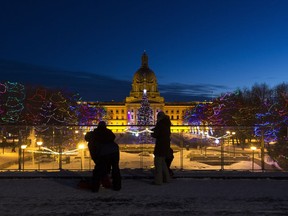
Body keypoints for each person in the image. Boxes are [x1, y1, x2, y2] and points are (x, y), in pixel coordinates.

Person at [85, 121, 121, 192]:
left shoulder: (93, 136)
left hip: (104, 152)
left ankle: (95, 188)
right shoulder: (109, 132)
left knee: (98, 170)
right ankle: (117, 186)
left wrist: (97, 161)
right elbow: (112, 138)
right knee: (115, 168)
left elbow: (94, 154)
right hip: (114, 151)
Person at [151, 111, 171, 185]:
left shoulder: (160, 123)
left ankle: (158, 181)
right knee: (163, 163)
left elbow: (156, 134)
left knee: (158, 163)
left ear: (159, 117)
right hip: (166, 144)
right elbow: (163, 131)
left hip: (160, 145)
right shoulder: (167, 123)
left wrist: (152, 133)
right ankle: (167, 179)